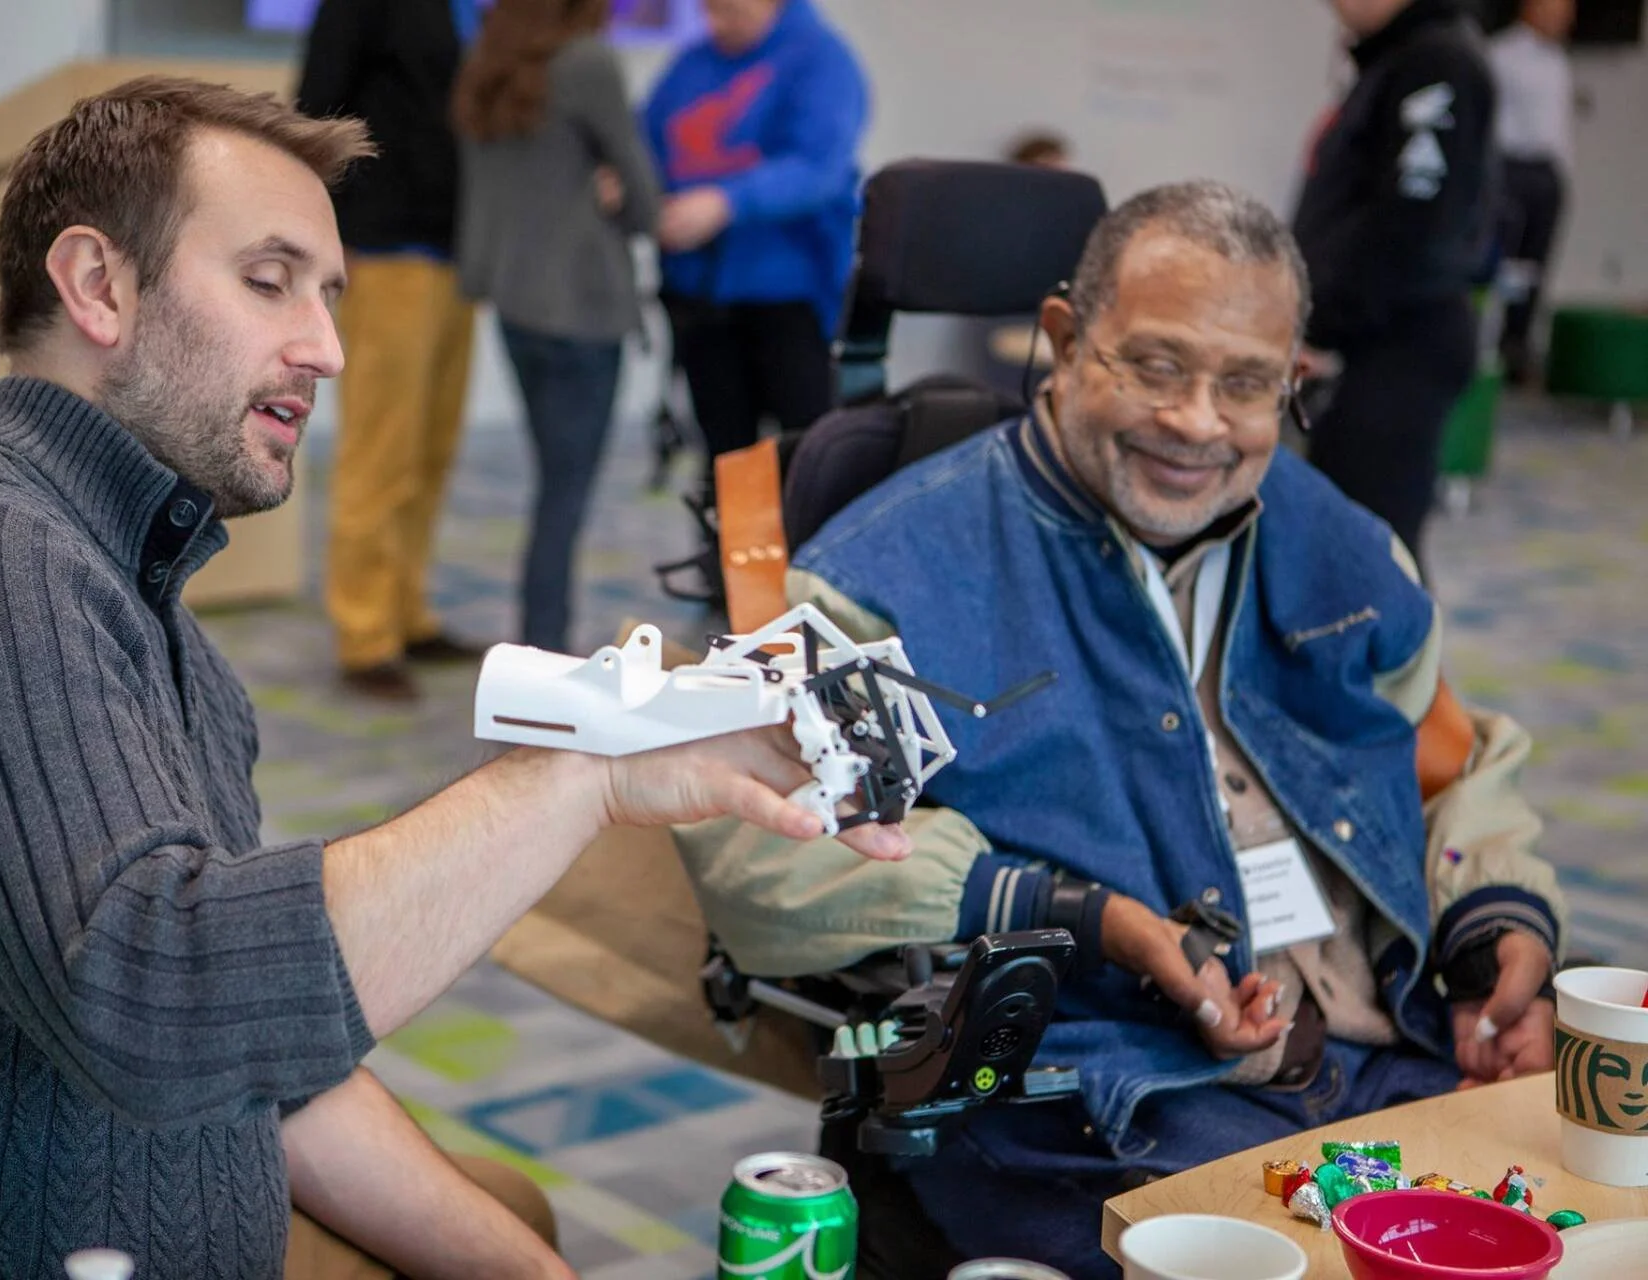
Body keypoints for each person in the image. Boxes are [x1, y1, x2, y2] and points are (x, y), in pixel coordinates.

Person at [0, 77, 908, 1280]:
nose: (328, 348)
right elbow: (167, 995)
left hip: (177, 1212)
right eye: (268, 279)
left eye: (329, 293)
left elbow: (265, 1056)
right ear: (96, 285)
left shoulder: (144, 611)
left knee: (516, 1221)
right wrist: (582, 773)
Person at [675, 182, 1564, 1280]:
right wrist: (1085, 915)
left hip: (1403, 1054)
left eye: (1247, 383)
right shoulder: (881, 579)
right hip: (1101, 1098)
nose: (1198, 420)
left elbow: (1455, 762)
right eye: (1154, 364)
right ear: (1063, 340)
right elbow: (756, 860)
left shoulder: (1345, 547)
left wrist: (1490, 926)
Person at [454, 0, 662, 654]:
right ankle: (545, 652)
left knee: (553, 487)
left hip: (516, 304)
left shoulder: (488, 62)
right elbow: (645, 199)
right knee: (564, 497)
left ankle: (540, 644)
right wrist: (615, 198)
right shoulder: (588, 64)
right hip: (580, 305)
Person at [297, 0, 481, 703]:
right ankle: (365, 632)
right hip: (385, 247)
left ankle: (409, 611)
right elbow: (316, 108)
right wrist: (327, 233)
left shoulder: (469, 11)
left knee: (431, 446)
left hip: (453, 252)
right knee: (381, 447)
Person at [1292, 0, 1498, 563]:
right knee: (1347, 537)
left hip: (1400, 340)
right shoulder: (1398, 59)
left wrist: (1324, 321)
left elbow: (1411, 225)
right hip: (1371, 337)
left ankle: (1400, 656)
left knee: (1372, 554)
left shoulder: (1436, 64)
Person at [643, 0, 870, 491]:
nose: (715, 20)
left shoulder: (821, 59)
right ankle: (730, 565)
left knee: (810, 455)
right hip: (701, 293)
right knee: (727, 461)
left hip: (790, 294)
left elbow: (819, 168)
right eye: (708, 8)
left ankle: (805, 565)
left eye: (728, 8)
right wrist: (635, 184)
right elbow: (650, 140)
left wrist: (727, 202)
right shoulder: (693, 62)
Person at [1488, 0, 1576, 386]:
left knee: (1537, 265)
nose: (1564, 16)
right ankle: (1492, 346)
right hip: (1511, 170)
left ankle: (1519, 348)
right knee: (1506, 263)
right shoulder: (1500, 54)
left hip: (1547, 174)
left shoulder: (1558, 61)